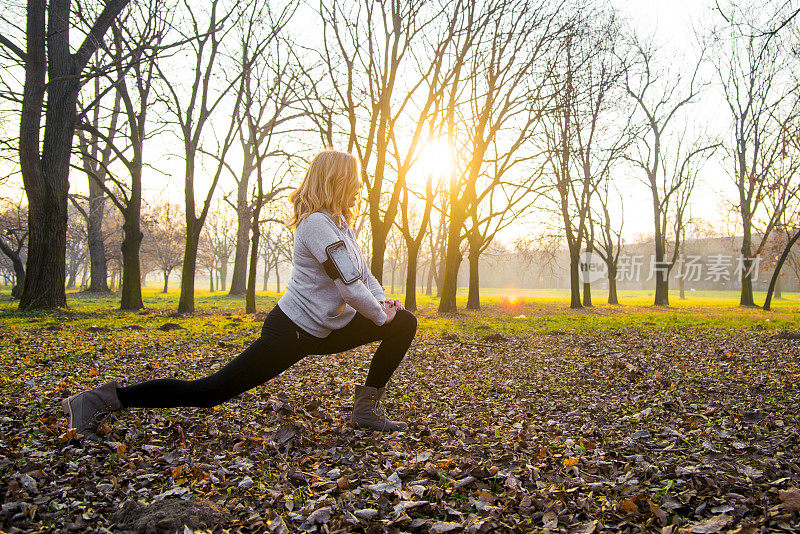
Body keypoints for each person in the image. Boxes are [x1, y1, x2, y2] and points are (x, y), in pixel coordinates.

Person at [62, 149, 417, 435]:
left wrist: (384, 303)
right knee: (209, 392)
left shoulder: (341, 225)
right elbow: (349, 288)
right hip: (292, 331)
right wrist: (376, 312)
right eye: (354, 180)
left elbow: (364, 276)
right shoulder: (316, 225)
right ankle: (100, 400)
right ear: (337, 180)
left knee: (404, 323)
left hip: (327, 328)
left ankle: (365, 410)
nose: (359, 186)